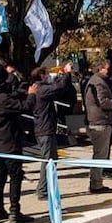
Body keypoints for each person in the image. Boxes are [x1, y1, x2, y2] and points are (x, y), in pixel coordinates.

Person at [0, 63, 38, 223]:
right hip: (9, 143)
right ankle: (15, 210)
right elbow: (26, 106)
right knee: (15, 176)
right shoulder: (2, 99)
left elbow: (10, 93)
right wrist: (31, 94)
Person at [31, 63, 74, 200]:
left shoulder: (40, 88)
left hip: (46, 128)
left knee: (52, 159)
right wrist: (66, 73)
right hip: (44, 129)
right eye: (47, 74)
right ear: (42, 76)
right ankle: (42, 190)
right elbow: (59, 87)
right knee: (48, 160)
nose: (49, 76)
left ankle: (46, 187)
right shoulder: (41, 89)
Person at [84, 60, 112, 193]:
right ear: (100, 69)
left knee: (100, 154)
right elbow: (103, 102)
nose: (109, 70)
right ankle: (96, 184)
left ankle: (96, 182)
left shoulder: (96, 81)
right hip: (100, 122)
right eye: (107, 68)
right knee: (100, 155)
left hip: (98, 121)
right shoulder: (98, 83)